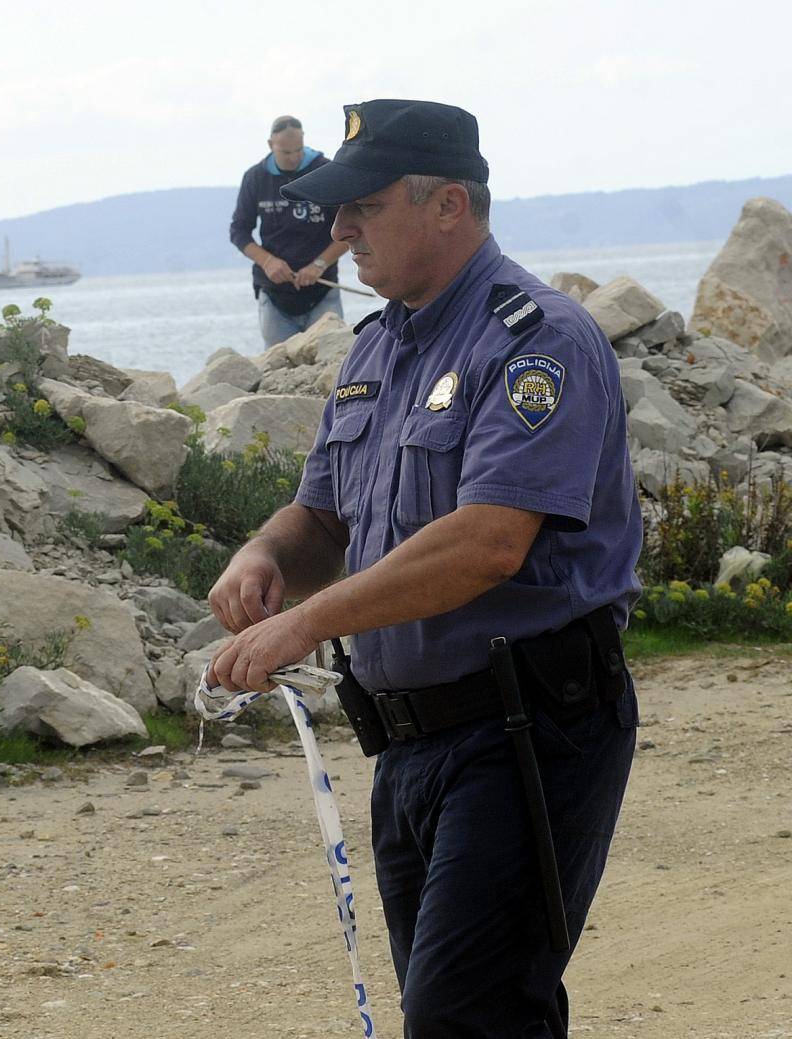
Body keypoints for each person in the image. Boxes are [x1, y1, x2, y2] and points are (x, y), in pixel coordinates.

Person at [207, 100, 641, 1038]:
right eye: (335, 209)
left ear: (449, 205)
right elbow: (323, 515)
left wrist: (311, 623)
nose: (338, 230)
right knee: (461, 1012)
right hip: (409, 742)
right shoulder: (378, 347)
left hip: (525, 724)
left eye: (361, 204)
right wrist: (265, 554)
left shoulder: (535, 340)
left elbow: (489, 539)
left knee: (465, 1016)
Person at [229, 115, 351, 348]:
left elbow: (351, 230)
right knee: (278, 365)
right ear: (270, 145)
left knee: (332, 358)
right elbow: (238, 231)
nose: (294, 157)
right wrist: (267, 261)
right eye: (286, 152)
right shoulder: (255, 178)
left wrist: (319, 264)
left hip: (322, 290)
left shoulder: (325, 171)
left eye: (298, 150)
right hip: (274, 294)